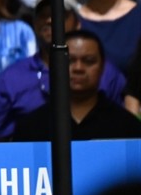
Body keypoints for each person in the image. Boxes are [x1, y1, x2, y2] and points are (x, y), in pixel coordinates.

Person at [0, 0, 129, 139]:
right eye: (43, 16)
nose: (49, 20)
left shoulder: (109, 73)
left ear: (77, 22)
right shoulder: (12, 77)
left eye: (59, 14)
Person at [12, 30, 141, 140]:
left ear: (103, 67)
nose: (78, 68)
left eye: (89, 61)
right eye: (69, 61)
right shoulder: (30, 127)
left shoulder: (127, 127)